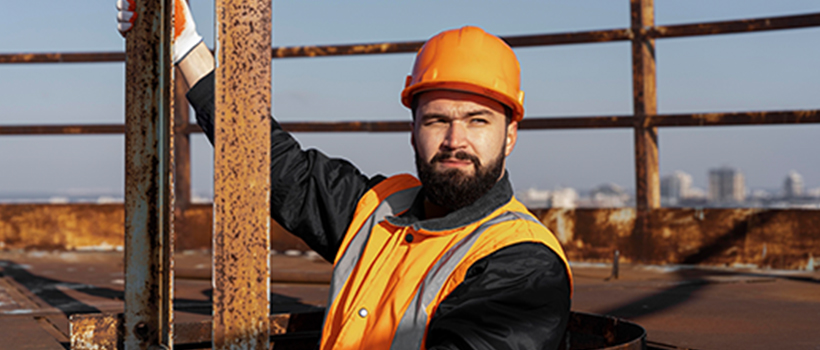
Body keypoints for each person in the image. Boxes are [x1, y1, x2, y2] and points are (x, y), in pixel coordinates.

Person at [118, 1, 572, 349]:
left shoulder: (524, 263)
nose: (455, 139)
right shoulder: (379, 209)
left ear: (510, 134)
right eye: (437, 121)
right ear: (413, 129)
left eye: (478, 121)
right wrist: (185, 47)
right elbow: (277, 167)